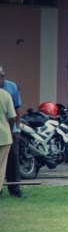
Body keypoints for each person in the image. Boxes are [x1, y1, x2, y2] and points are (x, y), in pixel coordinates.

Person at [0, 66, 23, 197]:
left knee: (13, 159)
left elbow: (17, 110)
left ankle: (15, 189)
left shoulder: (11, 87)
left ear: (2, 77)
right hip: (5, 128)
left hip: (11, 127)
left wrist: (16, 128)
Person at [0, 84, 15, 198]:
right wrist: (10, 128)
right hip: (4, 135)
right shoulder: (5, 95)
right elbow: (12, 116)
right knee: (1, 165)